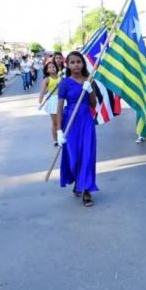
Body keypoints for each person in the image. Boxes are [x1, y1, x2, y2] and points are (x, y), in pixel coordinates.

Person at [56, 51, 98, 207]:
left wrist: (90, 90)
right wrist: (59, 130)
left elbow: (93, 104)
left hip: (86, 120)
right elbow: (60, 108)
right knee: (74, 157)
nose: (76, 65)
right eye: (72, 62)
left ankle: (86, 190)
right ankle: (78, 180)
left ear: (83, 64)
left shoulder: (89, 80)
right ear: (67, 65)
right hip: (70, 121)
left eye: (78, 62)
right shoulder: (65, 83)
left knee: (87, 155)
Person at [39, 61, 61, 147]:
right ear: (47, 70)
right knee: (55, 122)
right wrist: (40, 101)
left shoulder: (61, 77)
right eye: (50, 67)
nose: (52, 68)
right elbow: (42, 91)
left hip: (62, 99)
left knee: (62, 121)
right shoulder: (47, 80)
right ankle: (55, 140)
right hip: (52, 101)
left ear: (56, 68)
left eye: (53, 67)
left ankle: (61, 137)